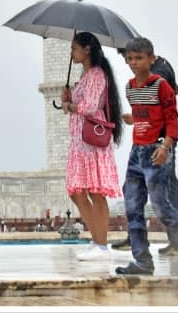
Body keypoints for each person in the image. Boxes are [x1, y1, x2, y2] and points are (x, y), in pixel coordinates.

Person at [116, 38, 178, 275]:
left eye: (139, 58)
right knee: (133, 207)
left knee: (162, 207)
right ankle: (142, 261)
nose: (134, 63)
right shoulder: (130, 87)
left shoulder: (161, 85)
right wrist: (133, 119)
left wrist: (165, 146)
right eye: (130, 59)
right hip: (137, 152)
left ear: (151, 59)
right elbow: (148, 116)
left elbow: (171, 119)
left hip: (156, 151)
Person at [58, 32, 123, 262]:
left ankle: (101, 244)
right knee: (76, 193)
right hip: (80, 143)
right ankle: (96, 239)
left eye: (74, 48)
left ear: (87, 50)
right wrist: (67, 97)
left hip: (92, 144)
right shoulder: (86, 75)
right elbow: (80, 103)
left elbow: (89, 106)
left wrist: (69, 104)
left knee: (95, 193)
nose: (71, 53)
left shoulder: (96, 74)